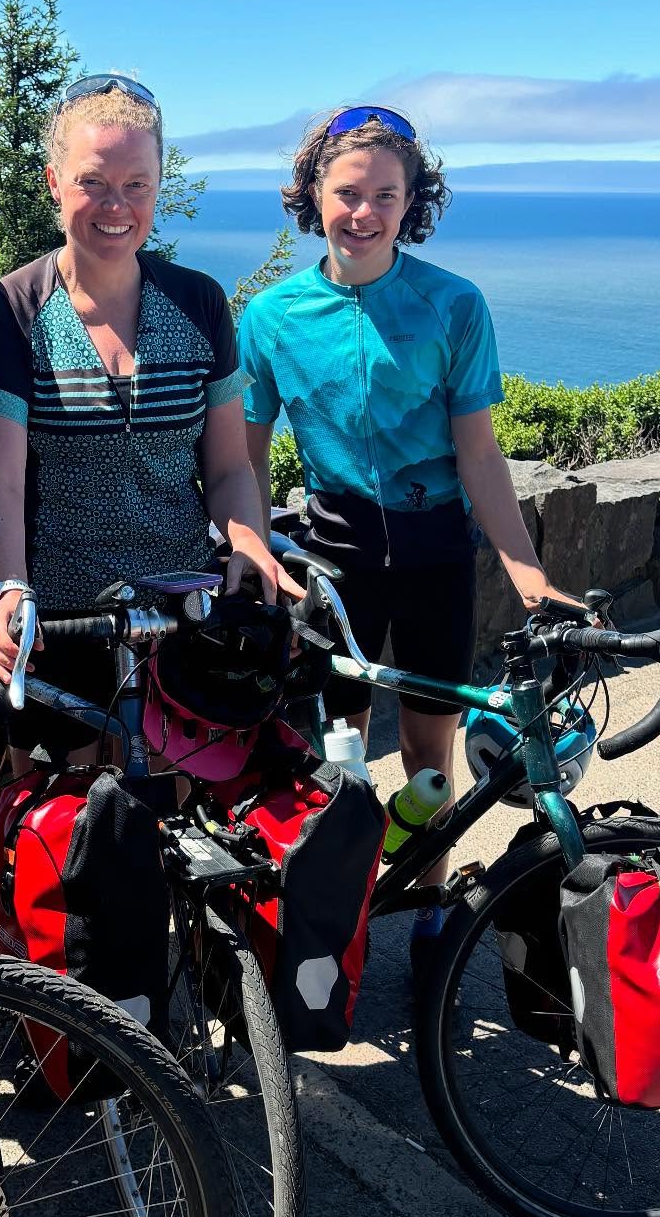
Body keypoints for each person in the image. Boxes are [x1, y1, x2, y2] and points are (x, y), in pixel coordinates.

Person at [239, 105, 568, 903]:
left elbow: (479, 453)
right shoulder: (271, 317)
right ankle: (341, 918)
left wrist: (528, 575)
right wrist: (249, 551)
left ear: (412, 201)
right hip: (331, 555)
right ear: (313, 194)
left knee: (430, 758)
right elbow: (243, 460)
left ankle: (427, 911)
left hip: (435, 552)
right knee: (338, 755)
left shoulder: (454, 305)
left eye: (386, 195)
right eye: (348, 193)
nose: (364, 212)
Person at [0, 75, 298, 771]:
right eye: (93, 181)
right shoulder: (14, 309)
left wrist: (248, 538)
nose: (116, 205)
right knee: (58, 820)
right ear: (55, 183)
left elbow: (229, 466)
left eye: (137, 185)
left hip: (184, 615)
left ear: (157, 186)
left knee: (174, 822)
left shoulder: (198, 302)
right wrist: (8, 587)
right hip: (56, 618)